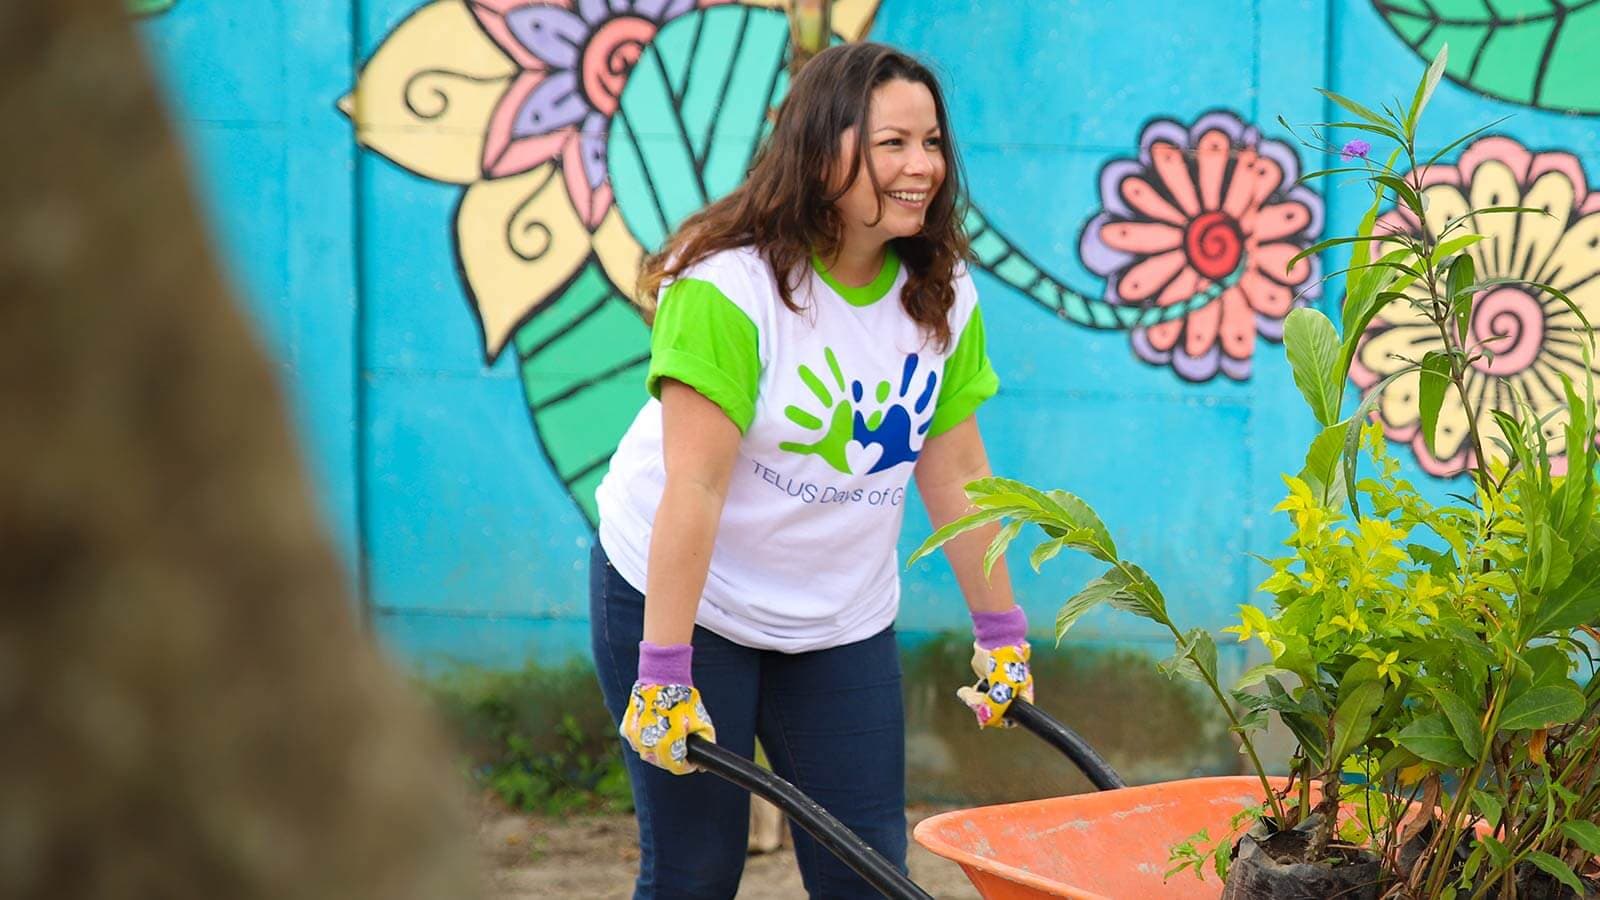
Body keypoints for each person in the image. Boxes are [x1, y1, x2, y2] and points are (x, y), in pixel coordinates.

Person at [590, 41, 1034, 899]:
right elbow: (696, 486)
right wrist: (665, 668)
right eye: (892, 143)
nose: (922, 168)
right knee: (693, 873)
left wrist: (1002, 632)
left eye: (932, 142)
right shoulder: (728, 287)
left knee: (867, 873)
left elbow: (958, 472)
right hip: (690, 605)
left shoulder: (940, 292)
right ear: (821, 147)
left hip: (838, 618)